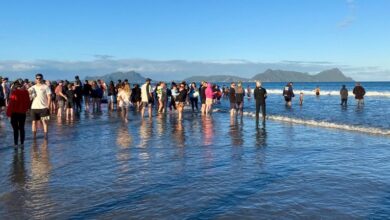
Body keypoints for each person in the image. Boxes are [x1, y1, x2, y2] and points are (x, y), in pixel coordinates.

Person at [6, 81, 30, 147]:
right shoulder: (26, 92)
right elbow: (28, 103)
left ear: (15, 86)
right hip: (22, 113)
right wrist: (25, 109)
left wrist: (8, 114)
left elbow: (11, 104)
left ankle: (16, 144)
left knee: (15, 130)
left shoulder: (14, 93)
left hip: (14, 113)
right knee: (22, 128)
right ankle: (22, 143)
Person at [28, 73, 52, 139]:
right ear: (35, 79)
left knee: (45, 122)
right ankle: (34, 137)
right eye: (37, 78)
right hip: (34, 108)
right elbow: (28, 95)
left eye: (40, 78)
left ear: (42, 78)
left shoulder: (46, 87)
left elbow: (49, 97)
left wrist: (48, 106)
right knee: (33, 122)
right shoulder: (32, 87)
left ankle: (45, 136)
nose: (38, 79)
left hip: (44, 108)